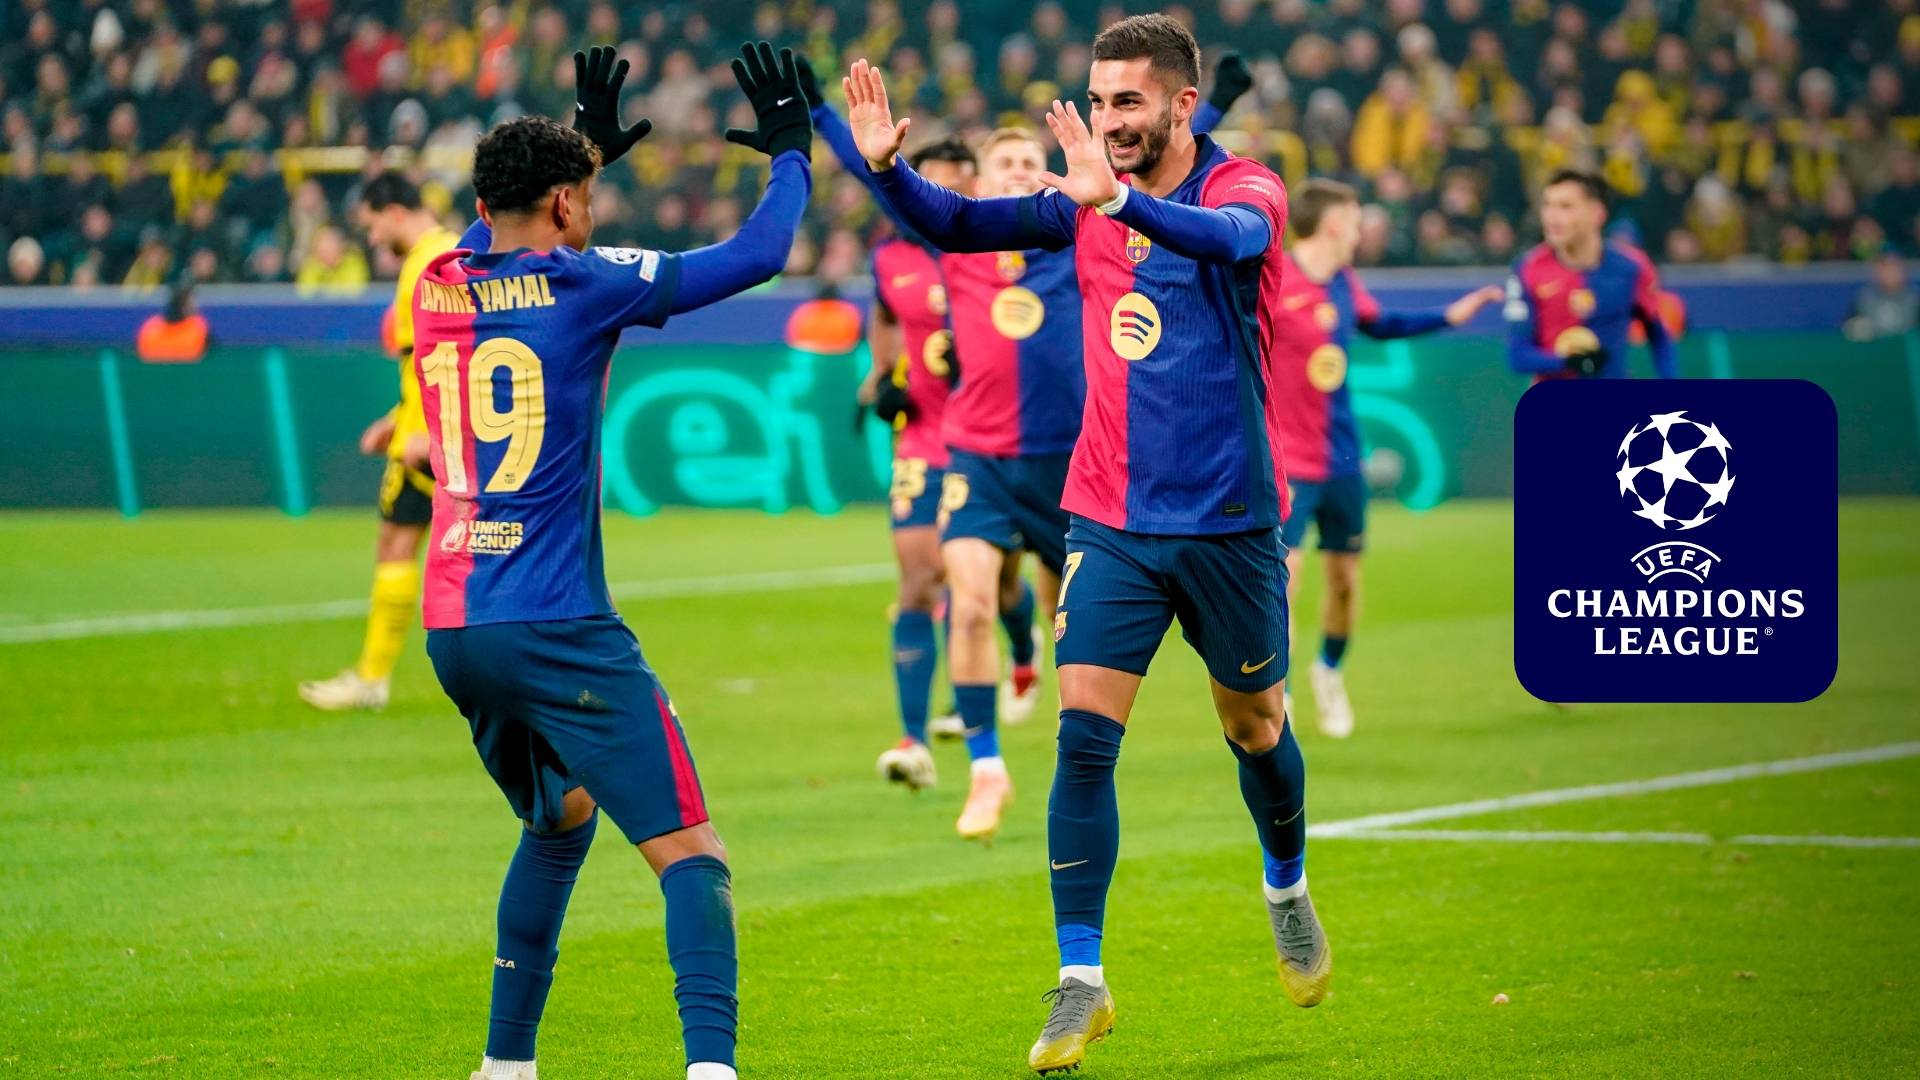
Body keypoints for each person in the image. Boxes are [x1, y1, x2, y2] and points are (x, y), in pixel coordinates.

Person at [840, 16, 1328, 1073]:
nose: (1109, 120)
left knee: (1254, 726)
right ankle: (1080, 979)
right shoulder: (1084, 200)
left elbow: (1232, 241)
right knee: (1083, 739)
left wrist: (1120, 203)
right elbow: (959, 223)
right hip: (1109, 514)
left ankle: (1286, 883)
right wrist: (884, 171)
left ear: (1183, 105)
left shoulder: (1246, 187)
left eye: (1128, 102)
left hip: (1231, 519)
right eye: (1099, 101)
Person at [411, 44, 810, 1080]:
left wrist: (584, 149)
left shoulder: (437, 285)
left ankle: (505, 1066)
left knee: (559, 821)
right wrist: (792, 153)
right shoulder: (583, 286)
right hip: (555, 622)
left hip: (455, 623)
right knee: (692, 853)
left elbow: (500, 226)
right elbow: (759, 254)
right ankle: (712, 1071)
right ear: (561, 206)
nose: (591, 208)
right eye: (583, 193)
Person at [810, 53, 1249, 831]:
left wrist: (1206, 112)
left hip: (1069, 463)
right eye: (1003, 164)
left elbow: (1155, 185)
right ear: (979, 183)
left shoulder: (1075, 235)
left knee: (1056, 615)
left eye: (1027, 162)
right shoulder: (959, 249)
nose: (1017, 171)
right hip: (976, 457)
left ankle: (1048, 695)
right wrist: (844, 133)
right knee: (970, 604)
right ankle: (985, 768)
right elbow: (904, 197)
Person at [1269, 179, 1501, 738]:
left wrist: (1449, 316)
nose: (1361, 233)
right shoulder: (1272, 278)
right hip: (1287, 460)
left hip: (1342, 457)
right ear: (1332, 225)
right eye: (1355, 222)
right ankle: (1282, 697)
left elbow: (1382, 323)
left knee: (1345, 580)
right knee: (1284, 581)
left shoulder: (1344, 282)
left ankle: (1328, 671)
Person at [298, 171, 461, 711]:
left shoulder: (430, 261)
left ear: (394, 212)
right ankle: (372, 678)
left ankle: (374, 679)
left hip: (434, 438)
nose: (370, 241)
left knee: (448, 551)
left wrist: (426, 430)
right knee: (399, 543)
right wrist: (398, 417)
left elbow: (448, 356)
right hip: (426, 428)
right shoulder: (439, 254)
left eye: (372, 227)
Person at [855, 137, 972, 792]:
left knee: (979, 580)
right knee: (920, 579)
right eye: (932, 185)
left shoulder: (994, 249)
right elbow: (883, 316)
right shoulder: (890, 257)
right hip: (922, 437)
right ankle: (912, 738)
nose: (940, 197)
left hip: (987, 440)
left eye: (955, 184)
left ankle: (1006, 660)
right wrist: (882, 374)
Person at [1504, 168, 1678, 380]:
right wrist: (1569, 362)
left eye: (1565, 206)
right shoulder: (1527, 268)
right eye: (1547, 205)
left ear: (1596, 213)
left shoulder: (1631, 267)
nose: (1551, 216)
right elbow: (1518, 356)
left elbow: (1659, 336)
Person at [134, 280, 210, 363]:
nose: (195, 305)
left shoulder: (149, 328)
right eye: (191, 301)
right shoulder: (198, 328)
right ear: (184, 306)